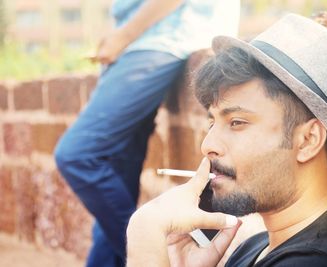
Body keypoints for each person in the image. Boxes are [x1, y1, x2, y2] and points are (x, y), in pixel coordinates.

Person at [126, 14, 327, 267]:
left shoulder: (322, 262)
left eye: (237, 123)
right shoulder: (258, 248)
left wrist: (146, 240)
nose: (207, 145)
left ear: (307, 140)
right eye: (212, 123)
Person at [54, 1, 240, 266]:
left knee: (77, 155)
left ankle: (159, 252)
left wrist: (123, 36)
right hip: (143, 44)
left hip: (164, 40)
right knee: (116, 178)